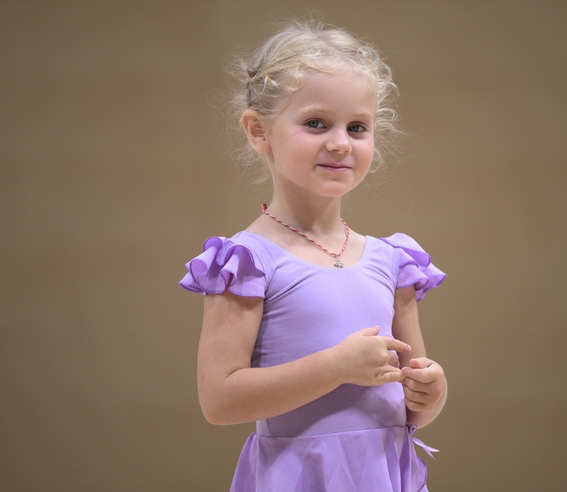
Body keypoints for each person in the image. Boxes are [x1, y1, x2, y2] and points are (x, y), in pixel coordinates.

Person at [179, 20, 447, 492]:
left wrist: (432, 393)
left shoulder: (394, 261)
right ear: (258, 130)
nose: (341, 142)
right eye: (316, 123)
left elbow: (412, 405)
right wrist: (335, 367)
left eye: (357, 127)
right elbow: (219, 401)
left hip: (384, 476)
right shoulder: (245, 261)